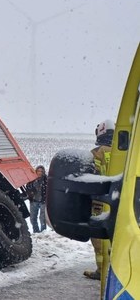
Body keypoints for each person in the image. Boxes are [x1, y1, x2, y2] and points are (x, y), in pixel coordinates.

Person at [83, 119, 114, 281]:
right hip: (121, 200)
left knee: (99, 238)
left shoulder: (96, 153)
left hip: (100, 202)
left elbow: (88, 178)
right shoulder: (125, 152)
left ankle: (102, 271)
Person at [25, 165, 47, 233]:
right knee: (32, 218)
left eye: (41, 171)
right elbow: (27, 188)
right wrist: (31, 192)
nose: (40, 172)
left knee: (42, 218)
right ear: (36, 171)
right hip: (34, 201)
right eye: (38, 171)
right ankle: (36, 232)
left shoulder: (46, 180)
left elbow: (49, 190)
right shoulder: (31, 179)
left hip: (43, 201)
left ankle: (43, 232)